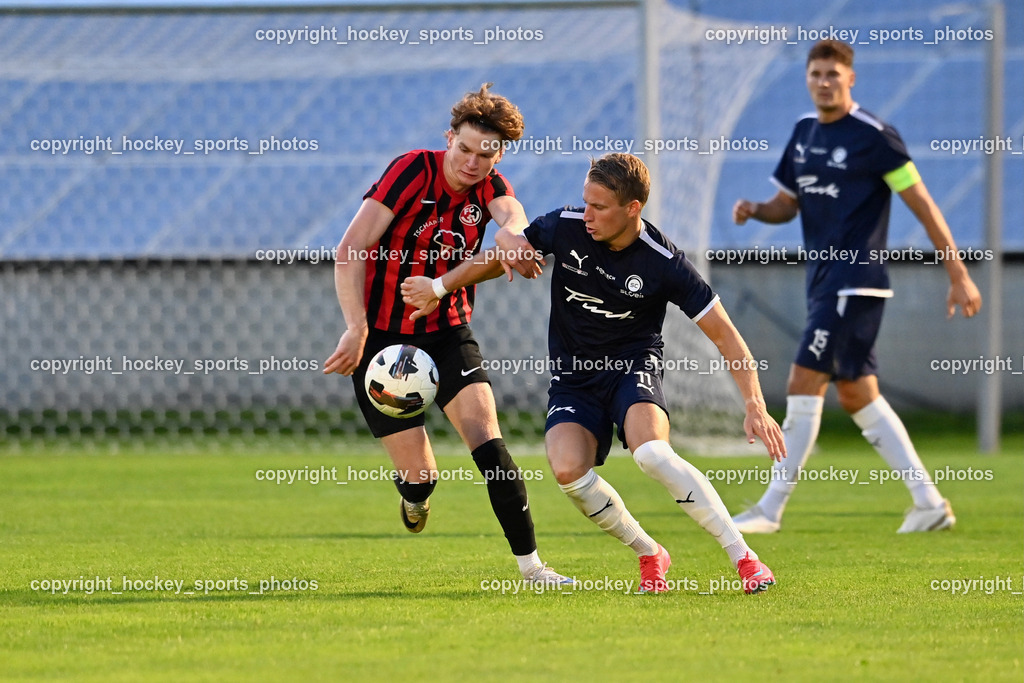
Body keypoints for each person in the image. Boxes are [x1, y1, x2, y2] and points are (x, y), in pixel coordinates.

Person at [403, 153, 786, 594]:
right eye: (585, 202)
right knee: (567, 470)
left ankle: (745, 559)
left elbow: (727, 337)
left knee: (652, 455)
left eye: (599, 207)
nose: (587, 215)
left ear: (632, 208)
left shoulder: (664, 262)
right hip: (574, 378)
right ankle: (649, 553)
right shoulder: (565, 226)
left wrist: (755, 404)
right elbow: (502, 256)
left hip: (631, 369)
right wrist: (438, 287)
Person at [729, 40, 983, 534]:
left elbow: (923, 203)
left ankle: (770, 509)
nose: (823, 81)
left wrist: (958, 272)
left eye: (833, 74)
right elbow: (787, 203)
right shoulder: (803, 133)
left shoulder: (876, 137)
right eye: (816, 73)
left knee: (803, 383)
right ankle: (929, 503)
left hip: (856, 281)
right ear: (807, 78)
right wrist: (757, 209)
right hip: (823, 283)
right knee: (858, 394)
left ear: (851, 79)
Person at [323, 83, 569, 585]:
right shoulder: (412, 169)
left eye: (487, 153)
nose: (473, 163)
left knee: (490, 446)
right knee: (422, 477)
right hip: (381, 343)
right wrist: (355, 327)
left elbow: (512, 220)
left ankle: (532, 569)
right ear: (448, 138)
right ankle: (414, 497)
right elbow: (351, 247)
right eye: (464, 148)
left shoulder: (493, 188)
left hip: (448, 332)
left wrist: (512, 236)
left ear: (499, 155)